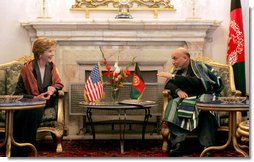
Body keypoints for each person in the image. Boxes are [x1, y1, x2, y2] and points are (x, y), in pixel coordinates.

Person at [157, 47, 223, 156]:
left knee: (205, 109)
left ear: (185, 58)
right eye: (172, 59)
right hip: (186, 98)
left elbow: (199, 82)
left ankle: (207, 146)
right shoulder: (177, 69)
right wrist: (178, 91)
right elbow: (169, 83)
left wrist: (173, 76)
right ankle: (178, 143)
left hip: (203, 95)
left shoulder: (199, 66)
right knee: (173, 105)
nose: (173, 62)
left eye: (175, 58)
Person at [12, 37, 64, 156]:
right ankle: (21, 148)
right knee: (32, 109)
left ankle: (24, 148)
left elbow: (58, 84)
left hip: (45, 103)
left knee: (37, 108)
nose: (52, 54)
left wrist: (52, 89)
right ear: (40, 53)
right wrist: (34, 98)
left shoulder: (51, 67)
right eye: (49, 51)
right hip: (28, 102)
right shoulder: (27, 69)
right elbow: (18, 93)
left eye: (52, 51)